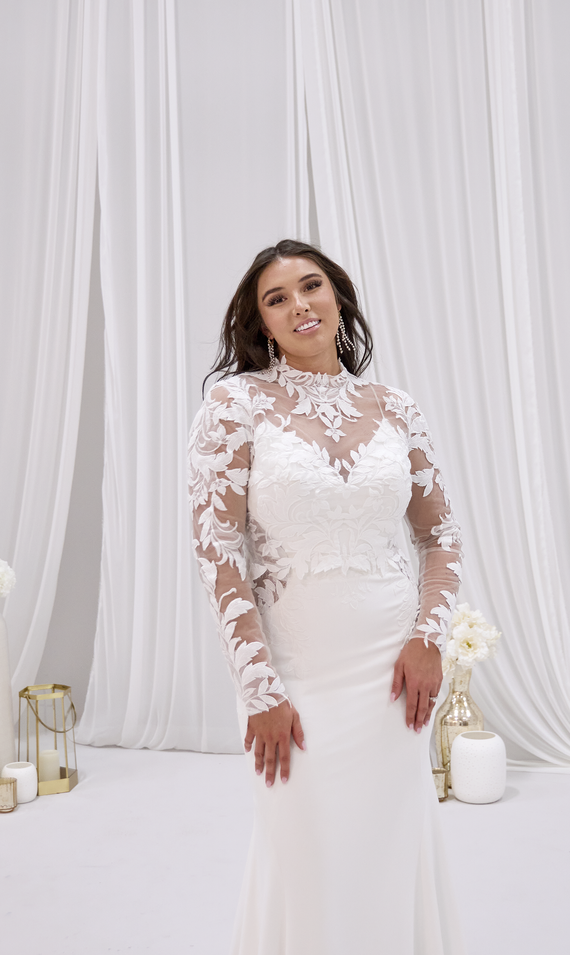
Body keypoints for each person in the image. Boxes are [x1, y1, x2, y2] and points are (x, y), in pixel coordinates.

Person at [188, 240, 466, 954]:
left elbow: (441, 538)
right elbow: (218, 554)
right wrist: (259, 689)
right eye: (275, 299)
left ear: (338, 295)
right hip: (296, 674)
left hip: (394, 675)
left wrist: (428, 639)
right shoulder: (235, 406)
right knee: (303, 851)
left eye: (310, 287)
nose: (298, 305)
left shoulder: (397, 407)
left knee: (387, 846)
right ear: (262, 326)